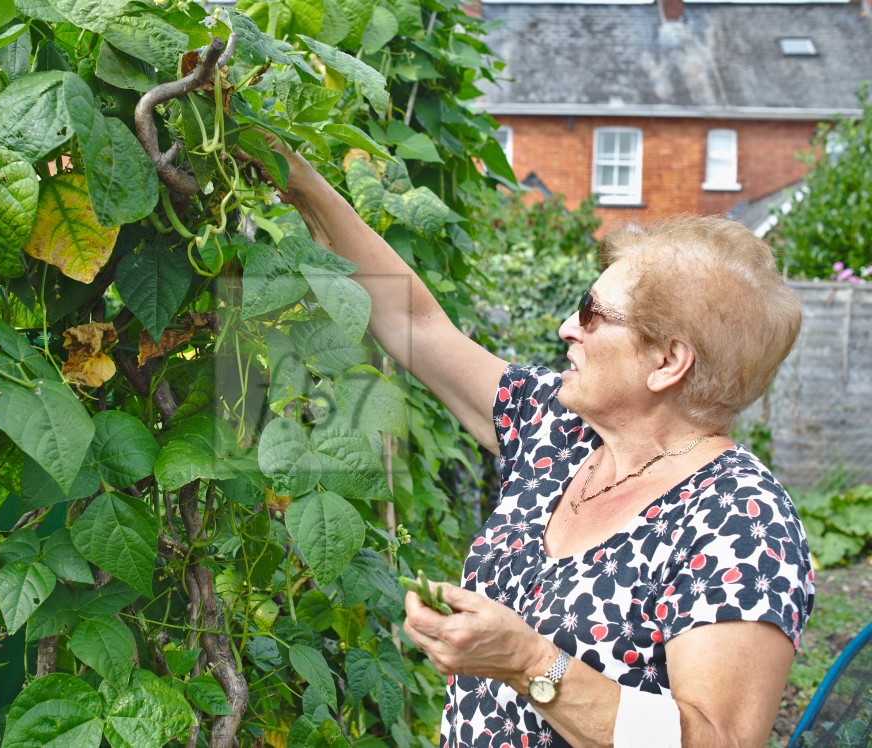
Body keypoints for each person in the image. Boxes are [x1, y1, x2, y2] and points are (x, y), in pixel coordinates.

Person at [273, 145, 814, 747]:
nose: (567, 328)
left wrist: (529, 662)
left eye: (593, 313)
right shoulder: (560, 429)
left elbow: (719, 742)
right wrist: (300, 181)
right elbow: (418, 324)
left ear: (667, 361)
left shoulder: (740, 519)